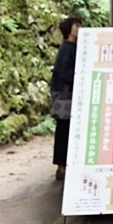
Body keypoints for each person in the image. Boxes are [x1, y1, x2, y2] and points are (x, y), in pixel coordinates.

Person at [50, 17, 82, 180]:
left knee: (67, 130)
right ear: (69, 29)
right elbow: (63, 73)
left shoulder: (74, 48)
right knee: (64, 130)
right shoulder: (67, 48)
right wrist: (79, 78)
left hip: (69, 94)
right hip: (66, 96)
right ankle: (61, 166)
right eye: (76, 25)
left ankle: (65, 165)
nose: (79, 28)